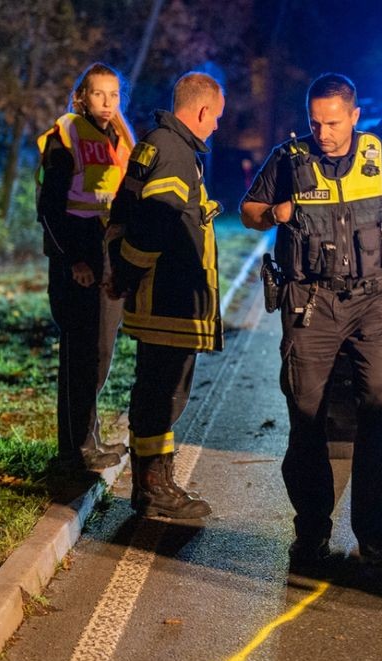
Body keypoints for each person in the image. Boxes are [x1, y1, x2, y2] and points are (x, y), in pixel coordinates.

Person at [240, 73, 382, 569]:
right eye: (315, 121)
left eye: (332, 122)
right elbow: (248, 210)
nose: (323, 131)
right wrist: (273, 215)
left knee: (378, 408)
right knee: (307, 416)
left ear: (354, 116)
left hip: (375, 301)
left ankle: (375, 537)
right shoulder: (290, 160)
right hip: (312, 303)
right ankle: (311, 533)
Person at [106, 72, 226, 520]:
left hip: (158, 296)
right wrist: (128, 273)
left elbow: (125, 211)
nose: (216, 127)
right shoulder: (176, 151)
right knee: (163, 394)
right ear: (201, 111)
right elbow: (156, 222)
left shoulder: (155, 144)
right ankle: (154, 489)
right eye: (215, 117)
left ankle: (156, 483)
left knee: (157, 390)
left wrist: (119, 269)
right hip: (169, 298)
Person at [36, 62, 135, 471]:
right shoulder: (67, 135)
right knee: (81, 355)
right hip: (78, 259)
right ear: (82, 96)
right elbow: (49, 208)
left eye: (114, 94)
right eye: (99, 94)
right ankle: (73, 451)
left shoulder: (117, 135)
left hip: (107, 253)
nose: (108, 102)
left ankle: (87, 439)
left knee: (100, 352)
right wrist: (72, 260)